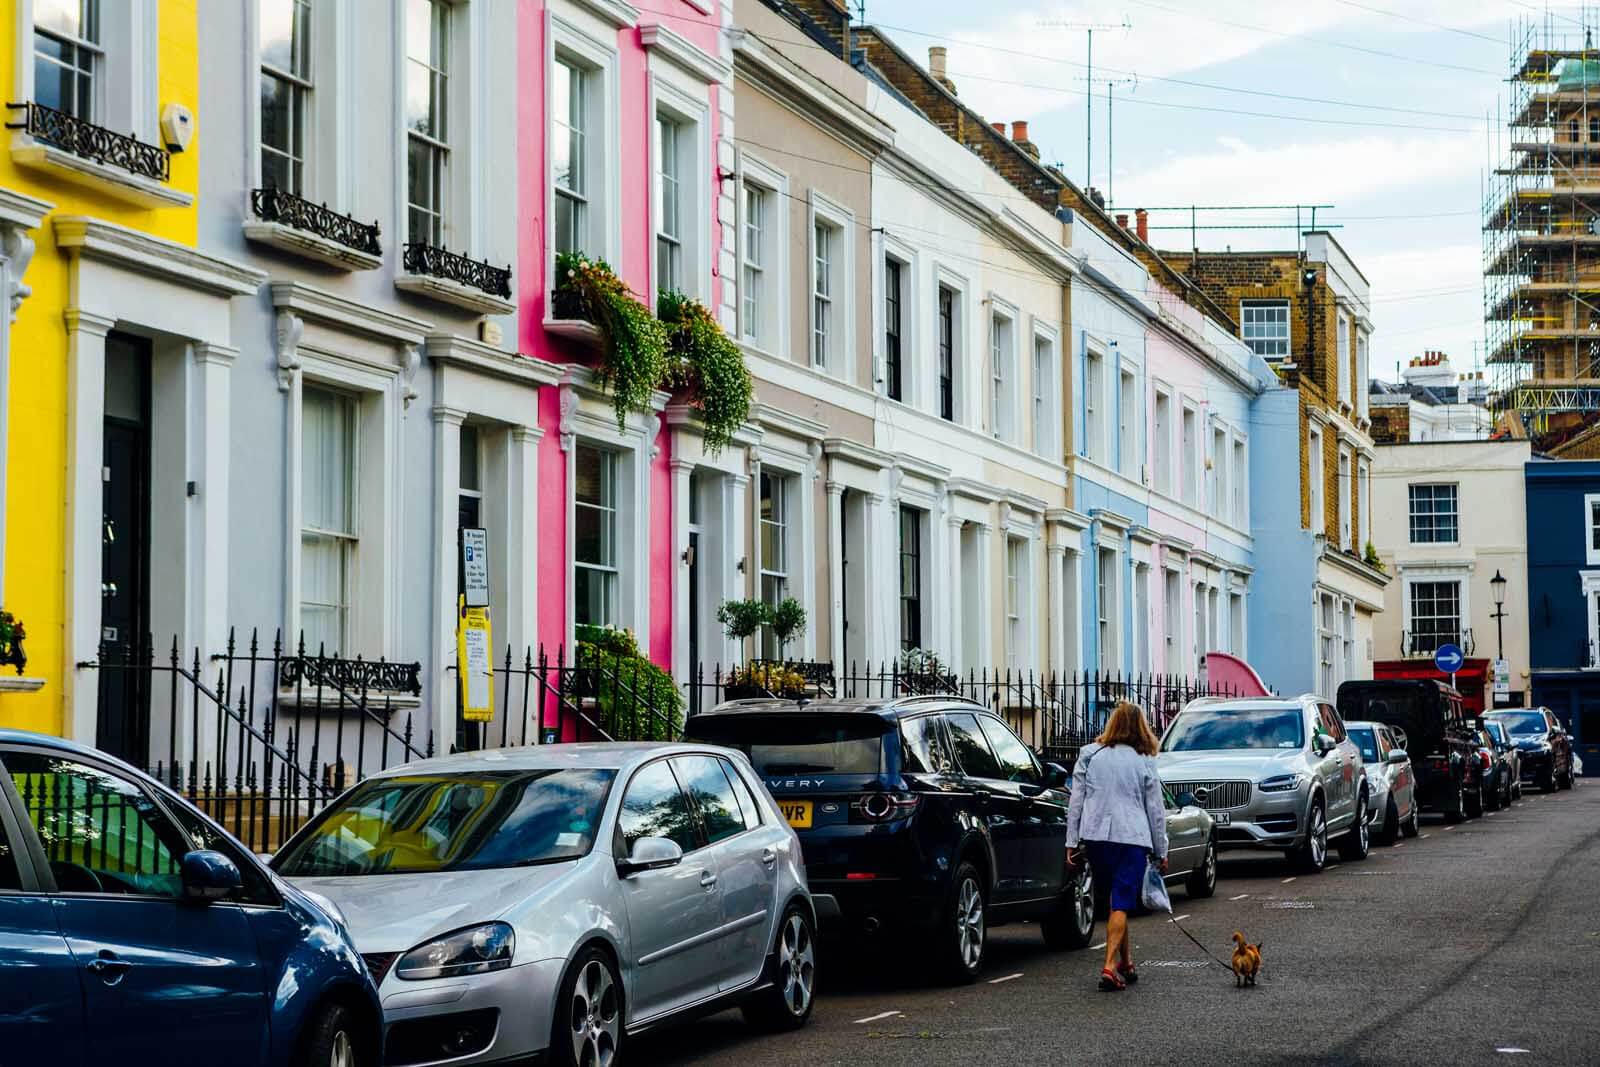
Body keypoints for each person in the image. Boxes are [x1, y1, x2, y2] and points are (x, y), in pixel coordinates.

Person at [1064, 700, 1169, 992]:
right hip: (1132, 838)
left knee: (1115, 901)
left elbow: (1076, 802)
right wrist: (1161, 851)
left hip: (1096, 837)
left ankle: (1127, 962)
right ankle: (1110, 966)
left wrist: (1071, 841)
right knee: (1122, 900)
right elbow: (1156, 811)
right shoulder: (1144, 760)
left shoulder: (1089, 754)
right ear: (1140, 727)